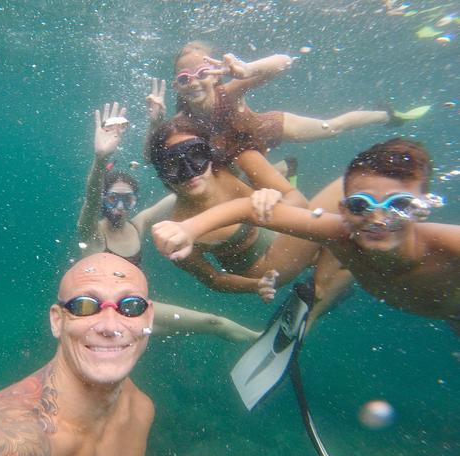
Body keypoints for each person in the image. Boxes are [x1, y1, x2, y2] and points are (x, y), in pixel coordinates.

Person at [0, 253, 218, 456]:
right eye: (85, 306)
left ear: (148, 317)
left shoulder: (138, 409)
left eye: (129, 306)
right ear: (57, 320)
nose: (110, 327)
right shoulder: (16, 431)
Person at [152, 138, 460, 332]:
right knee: (336, 241)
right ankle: (316, 300)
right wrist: (188, 229)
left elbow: (250, 206)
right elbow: (245, 211)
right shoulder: (340, 230)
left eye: (400, 205)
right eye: (360, 205)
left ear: (424, 208)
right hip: (277, 262)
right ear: (343, 208)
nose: (378, 219)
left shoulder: (447, 244)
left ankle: (317, 297)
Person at [77, 102, 260, 342]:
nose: (120, 208)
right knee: (214, 322)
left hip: (133, 309)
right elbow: (90, 200)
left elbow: (181, 185)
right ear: (103, 200)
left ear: (134, 201)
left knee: (206, 326)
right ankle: (261, 338)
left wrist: (157, 127)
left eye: (127, 200)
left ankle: (260, 340)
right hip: (102, 314)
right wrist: (100, 160)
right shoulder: (92, 233)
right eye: (112, 199)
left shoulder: (136, 225)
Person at [147, 115, 343, 303]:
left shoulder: (238, 161)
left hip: (285, 237)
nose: (189, 172)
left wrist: (277, 202)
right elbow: (213, 279)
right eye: (173, 165)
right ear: (162, 174)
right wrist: (258, 285)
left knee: (351, 251)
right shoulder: (176, 230)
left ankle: (319, 290)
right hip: (267, 266)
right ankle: (319, 288)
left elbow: (298, 201)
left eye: (196, 155)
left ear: (210, 152)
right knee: (342, 197)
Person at [147, 41, 429, 158]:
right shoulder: (181, 121)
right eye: (184, 78)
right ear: (176, 85)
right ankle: (285, 169)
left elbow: (284, 62)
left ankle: (386, 116)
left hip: (265, 128)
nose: (194, 82)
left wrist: (247, 70)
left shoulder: (229, 91)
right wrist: (155, 123)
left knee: (331, 128)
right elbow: (152, 157)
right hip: (236, 153)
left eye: (203, 73)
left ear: (216, 75)